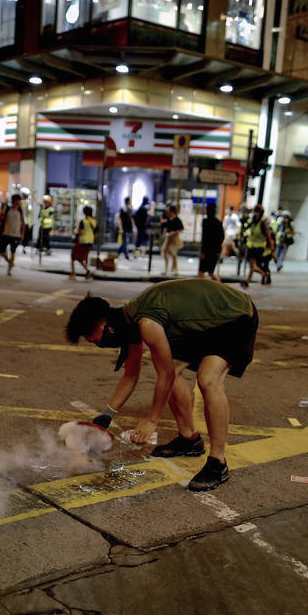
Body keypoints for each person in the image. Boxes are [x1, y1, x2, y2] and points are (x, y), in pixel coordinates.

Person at [65, 278, 259, 491]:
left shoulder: (145, 323)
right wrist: (106, 416)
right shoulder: (127, 323)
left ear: (104, 326)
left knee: (207, 379)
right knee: (172, 369)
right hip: (207, 322)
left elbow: (164, 376)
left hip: (235, 315)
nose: (98, 345)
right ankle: (189, 439)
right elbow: (131, 375)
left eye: (94, 340)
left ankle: (218, 462)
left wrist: (151, 420)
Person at [241, 206, 274, 287]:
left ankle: (249, 282)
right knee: (252, 266)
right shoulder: (252, 221)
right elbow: (245, 228)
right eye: (255, 211)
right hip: (251, 247)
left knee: (254, 265)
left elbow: (268, 236)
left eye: (257, 212)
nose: (255, 213)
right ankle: (264, 274)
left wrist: (272, 249)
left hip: (259, 248)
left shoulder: (263, 223)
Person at [0, 193, 25, 275]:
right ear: (14, 201)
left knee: (13, 251)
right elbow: (1, 218)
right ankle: (9, 261)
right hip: (6, 233)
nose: (19, 202)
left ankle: (9, 269)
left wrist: (22, 234)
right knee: (2, 252)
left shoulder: (20, 210)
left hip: (16, 235)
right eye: (18, 200)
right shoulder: (7, 209)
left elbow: (23, 223)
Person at [199, 202, 224, 282]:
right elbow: (221, 237)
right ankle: (220, 286)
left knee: (202, 272)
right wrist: (218, 250)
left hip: (206, 250)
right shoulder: (218, 223)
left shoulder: (205, 222)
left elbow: (204, 238)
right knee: (211, 272)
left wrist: (202, 251)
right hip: (214, 251)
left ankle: (206, 288)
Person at [70, 205, 97, 279]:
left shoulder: (83, 221)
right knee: (80, 258)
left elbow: (80, 232)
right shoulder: (94, 221)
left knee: (73, 255)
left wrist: (75, 233)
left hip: (82, 242)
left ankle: (73, 273)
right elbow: (96, 233)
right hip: (90, 242)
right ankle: (88, 271)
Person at [161, 204, 184, 276]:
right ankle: (168, 269)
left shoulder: (177, 219)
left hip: (174, 238)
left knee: (173, 254)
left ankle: (174, 270)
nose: (168, 212)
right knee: (166, 252)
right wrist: (164, 233)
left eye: (169, 210)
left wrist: (174, 232)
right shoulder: (169, 218)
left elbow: (181, 228)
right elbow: (166, 227)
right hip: (169, 237)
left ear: (172, 211)